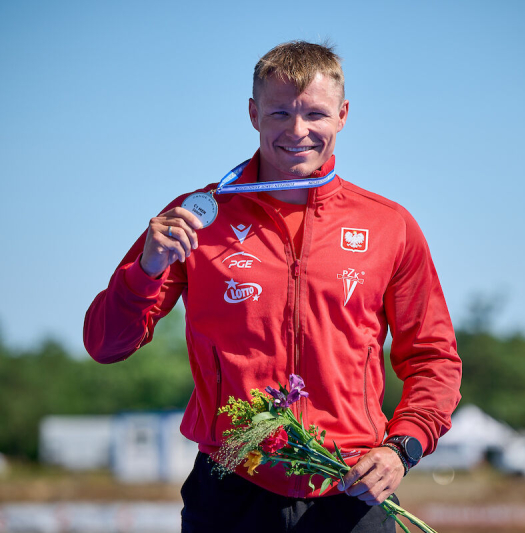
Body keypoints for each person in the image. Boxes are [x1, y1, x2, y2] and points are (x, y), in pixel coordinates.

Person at [84, 40, 462, 532]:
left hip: (350, 485)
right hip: (232, 487)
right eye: (280, 112)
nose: (297, 130)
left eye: (315, 114)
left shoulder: (390, 226)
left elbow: (434, 358)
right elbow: (105, 344)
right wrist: (146, 271)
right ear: (253, 113)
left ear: (343, 115)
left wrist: (401, 448)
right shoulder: (194, 219)